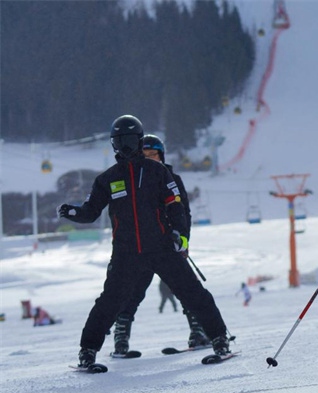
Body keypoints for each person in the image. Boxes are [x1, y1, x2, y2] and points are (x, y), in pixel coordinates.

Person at [58, 115, 232, 369]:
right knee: (109, 302)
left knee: (193, 293)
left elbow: (177, 207)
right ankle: (87, 352)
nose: (126, 146)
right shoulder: (107, 179)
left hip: (161, 248)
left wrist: (179, 236)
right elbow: (91, 210)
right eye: (120, 141)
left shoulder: (157, 172)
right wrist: (75, 213)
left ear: (139, 141)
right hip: (126, 254)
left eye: (130, 140)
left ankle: (219, 340)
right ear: (114, 144)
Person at [110, 135, 211, 356]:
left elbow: (183, 212)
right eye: (144, 155)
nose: (149, 159)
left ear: (161, 155)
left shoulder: (171, 178)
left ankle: (198, 332)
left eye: (153, 154)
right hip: (139, 247)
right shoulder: (130, 178)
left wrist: (183, 240)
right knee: (132, 291)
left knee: (186, 289)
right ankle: (120, 340)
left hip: (168, 245)